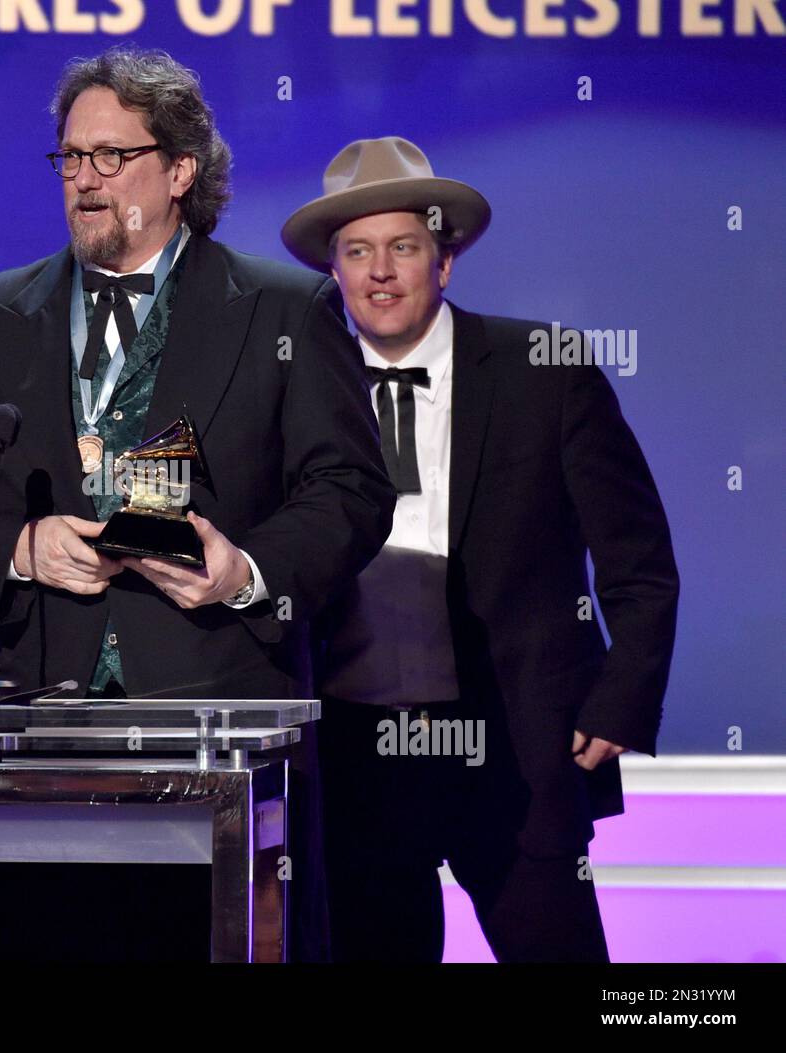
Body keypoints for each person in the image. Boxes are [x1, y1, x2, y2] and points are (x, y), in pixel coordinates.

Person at [0, 47, 394, 961]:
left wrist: (247, 570)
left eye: (112, 157)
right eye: (71, 158)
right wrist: (23, 545)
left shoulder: (285, 309)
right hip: (35, 744)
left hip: (216, 741)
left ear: (181, 169)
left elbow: (349, 490)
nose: (84, 181)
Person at [282, 136, 680, 962]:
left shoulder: (547, 369)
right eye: (357, 251)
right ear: (335, 271)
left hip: (519, 747)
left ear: (445, 262)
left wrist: (621, 700)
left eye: (403, 247)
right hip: (356, 757)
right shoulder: (293, 388)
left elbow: (639, 557)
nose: (380, 271)